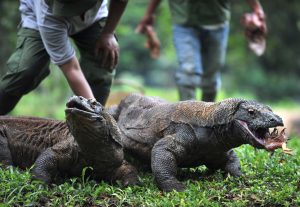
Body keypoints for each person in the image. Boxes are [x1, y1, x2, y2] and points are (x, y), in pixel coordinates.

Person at [0, 0, 128, 115]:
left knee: (102, 61)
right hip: (44, 17)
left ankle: (84, 129)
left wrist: (108, 33)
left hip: (94, 17)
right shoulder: (47, 17)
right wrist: (96, 112)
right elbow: (72, 69)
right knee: (26, 70)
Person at [136, 0, 267, 102]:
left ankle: (208, 122)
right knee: (188, 73)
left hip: (217, 21)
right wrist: (148, 15)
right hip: (184, 22)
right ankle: (187, 122)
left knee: (210, 79)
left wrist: (257, 9)